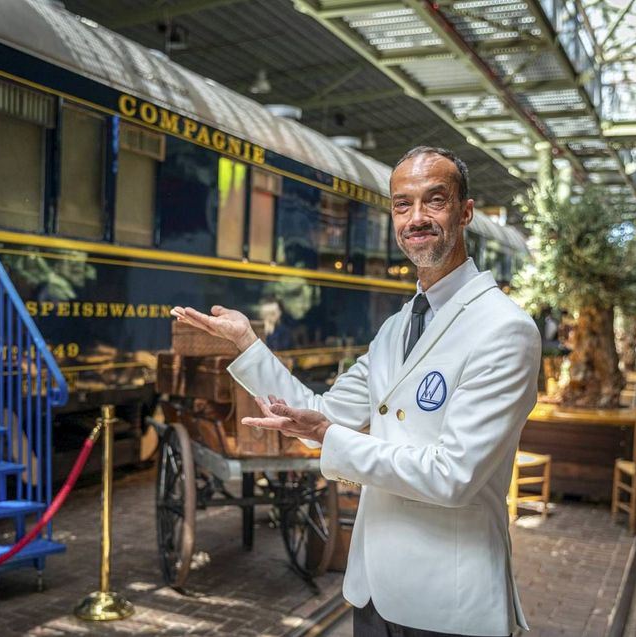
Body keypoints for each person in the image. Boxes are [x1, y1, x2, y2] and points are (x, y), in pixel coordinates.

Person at [172, 146, 540, 637]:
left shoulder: (504, 329)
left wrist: (331, 438)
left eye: (435, 201)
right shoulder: (395, 329)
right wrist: (247, 344)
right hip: (374, 591)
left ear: (465, 212)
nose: (416, 218)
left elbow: (454, 476)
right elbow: (322, 414)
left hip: (447, 602)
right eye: (402, 204)